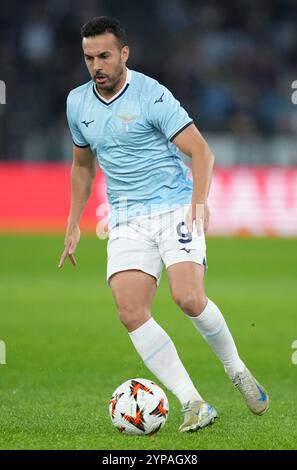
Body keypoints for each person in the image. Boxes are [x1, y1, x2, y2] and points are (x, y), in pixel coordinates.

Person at [58, 16, 269, 433]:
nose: (96, 65)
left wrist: (199, 203)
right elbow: (83, 165)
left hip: (173, 207)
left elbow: (201, 152)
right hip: (125, 219)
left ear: (124, 53)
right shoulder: (77, 103)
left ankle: (236, 369)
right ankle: (194, 403)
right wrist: (73, 222)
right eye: (88, 58)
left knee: (188, 298)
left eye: (104, 55)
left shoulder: (152, 95)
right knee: (129, 310)